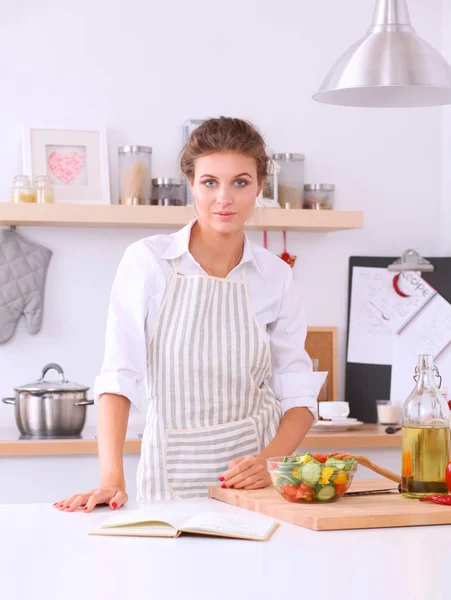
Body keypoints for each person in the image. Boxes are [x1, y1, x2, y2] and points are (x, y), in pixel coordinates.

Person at [54, 116, 325, 513]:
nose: (224, 198)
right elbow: (119, 375)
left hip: (256, 486)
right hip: (169, 480)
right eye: (210, 182)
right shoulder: (148, 261)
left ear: (260, 187)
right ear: (191, 184)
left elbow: (298, 395)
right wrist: (111, 479)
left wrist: (270, 462)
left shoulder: (275, 276)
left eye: (241, 182)